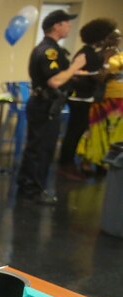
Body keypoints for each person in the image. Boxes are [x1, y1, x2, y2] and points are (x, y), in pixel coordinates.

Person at [16, 10, 87, 204]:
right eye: (66, 23)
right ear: (56, 26)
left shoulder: (53, 49)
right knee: (42, 149)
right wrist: (74, 66)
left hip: (45, 104)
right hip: (44, 104)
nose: (69, 27)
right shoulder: (49, 51)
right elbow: (55, 80)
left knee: (36, 147)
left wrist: (73, 75)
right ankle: (33, 190)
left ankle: (27, 185)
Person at [58, 19, 109, 181]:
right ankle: (65, 164)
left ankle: (69, 163)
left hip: (85, 98)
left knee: (78, 131)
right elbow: (77, 76)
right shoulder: (86, 54)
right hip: (79, 98)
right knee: (74, 132)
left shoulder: (92, 53)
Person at [76, 21, 122, 174]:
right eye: (113, 38)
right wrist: (108, 73)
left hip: (119, 101)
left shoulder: (121, 54)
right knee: (96, 130)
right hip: (102, 99)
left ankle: (105, 162)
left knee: (113, 132)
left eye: (118, 38)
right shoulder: (99, 55)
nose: (116, 41)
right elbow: (98, 77)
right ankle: (88, 161)